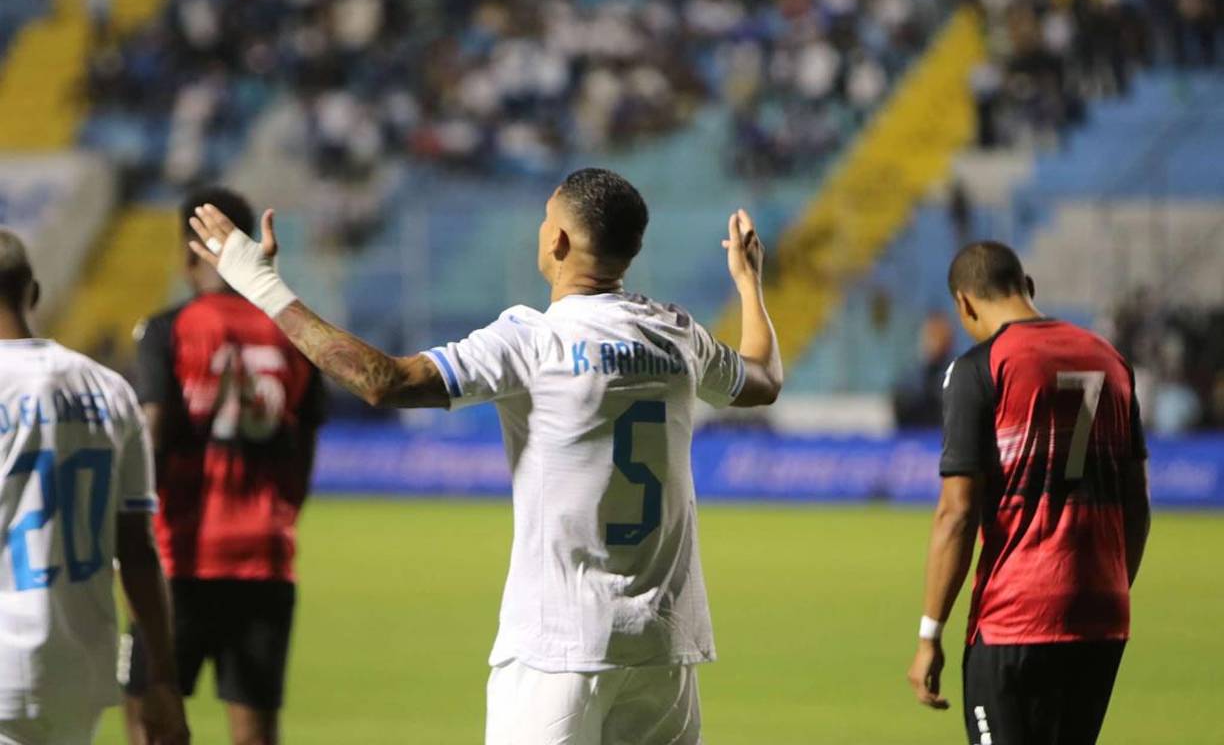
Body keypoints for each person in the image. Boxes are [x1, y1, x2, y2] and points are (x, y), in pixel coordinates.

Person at [186, 168, 783, 745]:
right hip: (663, 649)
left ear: (559, 240)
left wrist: (260, 285)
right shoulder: (676, 334)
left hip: (559, 650)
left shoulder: (532, 341)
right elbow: (763, 378)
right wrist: (748, 283)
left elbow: (381, 381)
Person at [906, 241, 1151, 745]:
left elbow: (957, 513)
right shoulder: (1111, 360)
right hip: (1102, 617)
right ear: (1028, 289)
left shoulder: (979, 367)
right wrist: (1106, 587)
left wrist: (930, 632)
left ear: (964, 305)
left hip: (1017, 616)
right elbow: (1137, 505)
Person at [122, 191, 326, 745]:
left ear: (191, 256)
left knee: (151, 716)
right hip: (265, 556)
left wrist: (132, 537)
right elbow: (305, 445)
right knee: (255, 730)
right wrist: (280, 518)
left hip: (180, 557)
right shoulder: (295, 332)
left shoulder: (169, 328)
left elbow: (155, 434)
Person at [0, 229, 189, 745]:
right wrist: (162, 678)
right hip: (79, 668)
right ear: (33, 294)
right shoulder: (109, 389)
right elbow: (138, 550)